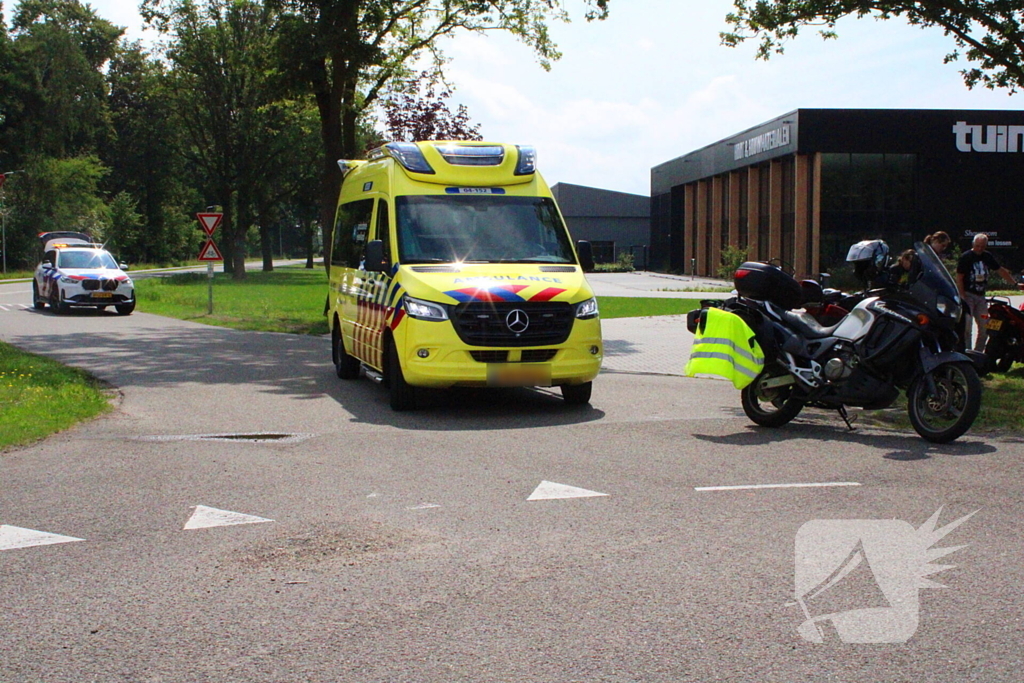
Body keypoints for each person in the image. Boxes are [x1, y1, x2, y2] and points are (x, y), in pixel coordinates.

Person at [956, 233, 1022, 352]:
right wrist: (962, 296)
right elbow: (959, 277)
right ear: (973, 245)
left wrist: (1015, 284)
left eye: (982, 246)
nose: (979, 249)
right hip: (968, 295)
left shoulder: (987, 256)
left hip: (981, 296)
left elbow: (1000, 270)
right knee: (967, 327)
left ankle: (978, 353)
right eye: (977, 246)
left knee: (985, 326)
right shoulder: (966, 257)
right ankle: (966, 353)